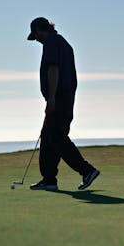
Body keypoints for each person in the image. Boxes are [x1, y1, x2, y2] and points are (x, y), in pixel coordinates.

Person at [27, 17, 100, 191]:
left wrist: (51, 98)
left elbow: (53, 69)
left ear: (39, 30)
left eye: (35, 35)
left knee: (57, 137)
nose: (36, 39)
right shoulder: (63, 43)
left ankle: (87, 170)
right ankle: (49, 180)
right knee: (48, 137)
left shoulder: (51, 42)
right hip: (64, 97)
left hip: (59, 98)